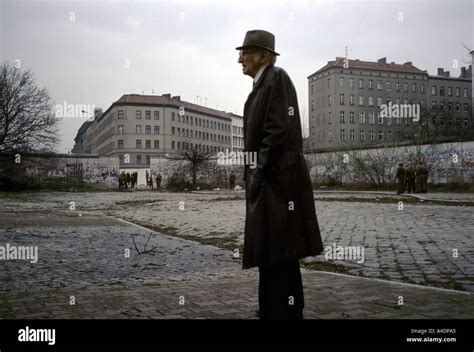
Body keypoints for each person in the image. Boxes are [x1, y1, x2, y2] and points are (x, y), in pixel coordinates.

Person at [236, 29, 323, 320]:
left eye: (245, 53)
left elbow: (276, 132)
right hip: (269, 183)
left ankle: (284, 311)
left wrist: (258, 173)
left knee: (281, 251)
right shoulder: (261, 86)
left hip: (280, 185)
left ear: (263, 55)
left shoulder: (277, 78)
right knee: (271, 251)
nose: (240, 59)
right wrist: (248, 174)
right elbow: (256, 140)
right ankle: (273, 308)